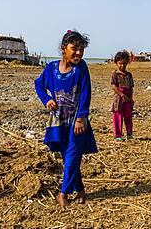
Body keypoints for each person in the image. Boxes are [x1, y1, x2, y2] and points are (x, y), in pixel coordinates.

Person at [34, 30, 97, 206]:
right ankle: (81, 190)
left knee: (72, 156)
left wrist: (82, 117)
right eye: (74, 48)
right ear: (63, 49)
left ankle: (63, 193)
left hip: (77, 120)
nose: (78, 53)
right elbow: (39, 85)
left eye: (81, 49)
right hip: (58, 120)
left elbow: (86, 92)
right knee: (68, 156)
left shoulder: (81, 68)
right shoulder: (51, 68)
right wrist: (46, 99)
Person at [110, 50, 134, 141]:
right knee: (118, 117)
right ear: (116, 63)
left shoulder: (129, 75)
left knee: (128, 117)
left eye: (124, 63)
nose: (122, 66)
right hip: (118, 99)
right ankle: (118, 135)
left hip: (127, 99)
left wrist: (131, 98)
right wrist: (121, 94)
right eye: (120, 63)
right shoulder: (115, 74)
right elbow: (113, 85)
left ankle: (129, 134)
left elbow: (131, 87)